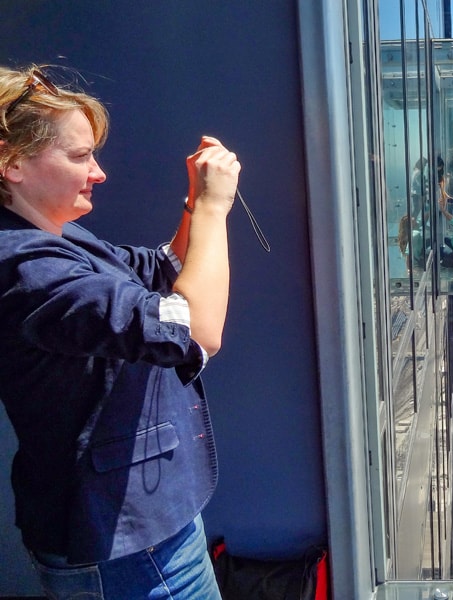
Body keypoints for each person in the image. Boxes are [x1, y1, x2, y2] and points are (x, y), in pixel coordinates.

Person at [0, 65, 240, 598]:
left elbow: (159, 269)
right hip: (123, 549)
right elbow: (195, 331)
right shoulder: (26, 268)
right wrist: (212, 206)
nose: (99, 172)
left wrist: (192, 203)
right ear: (11, 163)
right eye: (81, 156)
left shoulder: (57, 238)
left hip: (139, 533)